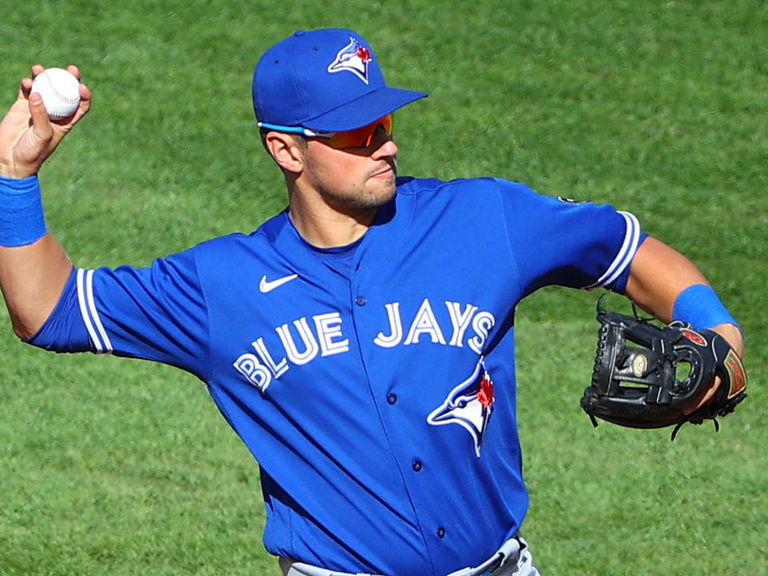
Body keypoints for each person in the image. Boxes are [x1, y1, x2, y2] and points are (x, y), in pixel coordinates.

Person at [0, 28, 744, 576]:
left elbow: (628, 247)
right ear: (286, 150)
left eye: (384, 123)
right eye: (354, 133)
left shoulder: (482, 221)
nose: (383, 144)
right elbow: (50, 308)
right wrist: (15, 173)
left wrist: (719, 332)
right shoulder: (221, 286)